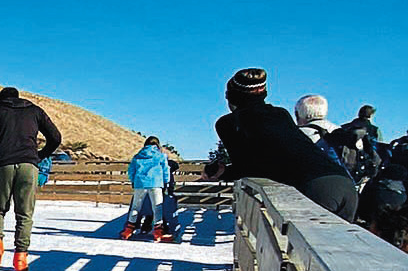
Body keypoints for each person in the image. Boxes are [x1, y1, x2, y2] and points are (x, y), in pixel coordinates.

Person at [204, 68, 357, 220]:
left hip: (314, 188)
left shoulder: (229, 123)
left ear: (231, 97)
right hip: (344, 183)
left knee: (299, 244)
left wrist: (222, 173)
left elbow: (247, 168)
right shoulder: (281, 114)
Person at [0, 87, 62, 271]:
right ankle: (21, 256)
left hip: (1, 166)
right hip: (28, 166)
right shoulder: (34, 110)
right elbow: (55, 137)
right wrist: (38, 156)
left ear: (1, 98)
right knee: (24, 214)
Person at [123, 136, 172, 241]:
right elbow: (165, 170)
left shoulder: (137, 156)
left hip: (140, 183)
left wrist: (133, 181)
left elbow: (131, 171)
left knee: (136, 207)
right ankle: (158, 232)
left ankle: (128, 230)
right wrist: (166, 182)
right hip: (155, 183)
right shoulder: (161, 156)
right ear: (157, 145)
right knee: (157, 208)